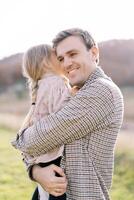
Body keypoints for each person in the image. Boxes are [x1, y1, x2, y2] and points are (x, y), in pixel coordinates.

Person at [12, 28, 124, 200]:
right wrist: (36, 172)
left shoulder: (101, 91)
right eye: (61, 59)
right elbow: (36, 145)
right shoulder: (76, 92)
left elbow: (31, 142)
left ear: (93, 52)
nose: (66, 63)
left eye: (73, 54)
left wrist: (26, 148)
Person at [12, 44, 74, 200]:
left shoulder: (41, 85)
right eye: (58, 57)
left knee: (44, 194)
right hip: (56, 156)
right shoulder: (57, 83)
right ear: (47, 62)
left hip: (44, 158)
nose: (63, 61)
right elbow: (67, 117)